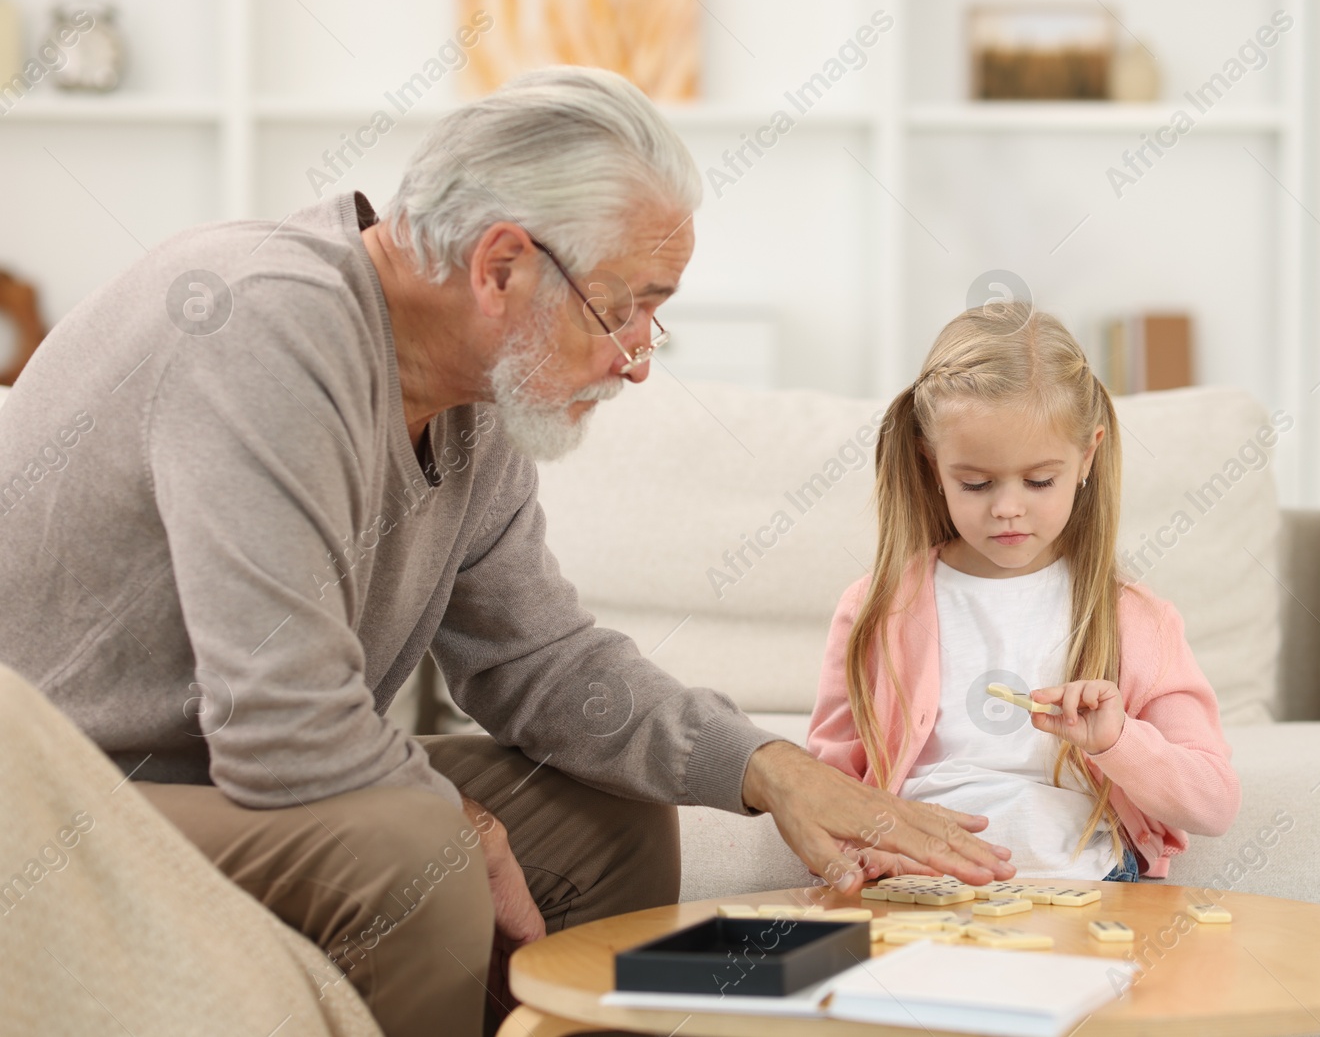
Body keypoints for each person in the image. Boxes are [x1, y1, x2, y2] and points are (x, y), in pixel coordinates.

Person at [0, 66, 1013, 1037]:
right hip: (59, 799)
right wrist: (462, 822)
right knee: (417, 850)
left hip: (210, 791)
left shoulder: (469, 403)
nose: (636, 359)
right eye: (625, 308)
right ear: (499, 266)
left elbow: (541, 662)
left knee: (605, 817)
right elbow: (282, 727)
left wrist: (773, 769)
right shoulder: (263, 324)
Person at [807, 302, 1241, 884]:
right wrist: (867, 847)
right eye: (975, 483)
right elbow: (823, 793)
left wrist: (1117, 740)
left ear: (1088, 455)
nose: (1008, 508)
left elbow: (1213, 802)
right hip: (921, 885)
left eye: (1040, 481)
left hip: (1086, 887)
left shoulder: (1136, 620)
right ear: (931, 464)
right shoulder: (877, 608)